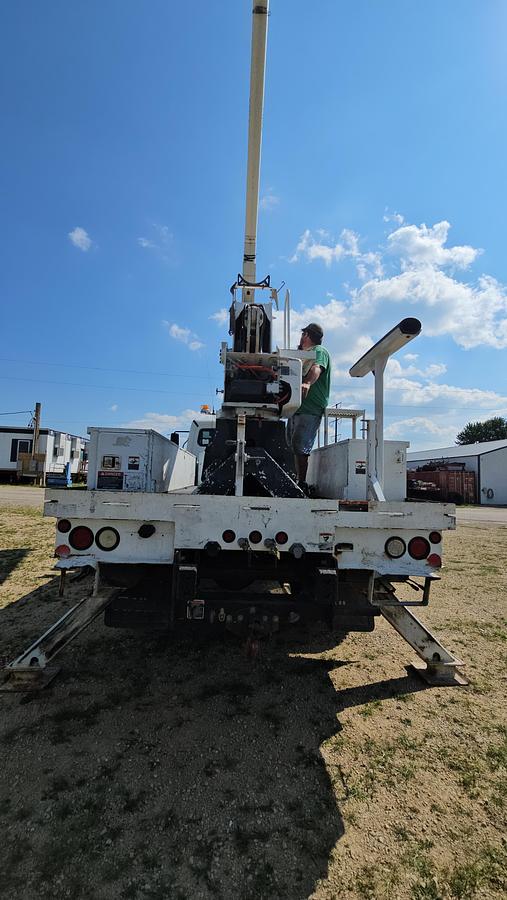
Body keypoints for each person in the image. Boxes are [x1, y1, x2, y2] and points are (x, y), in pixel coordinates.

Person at [287, 322, 331, 487]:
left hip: (309, 408)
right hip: (294, 408)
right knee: (291, 445)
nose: (301, 337)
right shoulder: (302, 356)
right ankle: (293, 480)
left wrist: (307, 383)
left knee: (299, 445)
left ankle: (301, 483)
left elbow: (317, 368)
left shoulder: (319, 352)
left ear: (306, 335)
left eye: (303, 334)